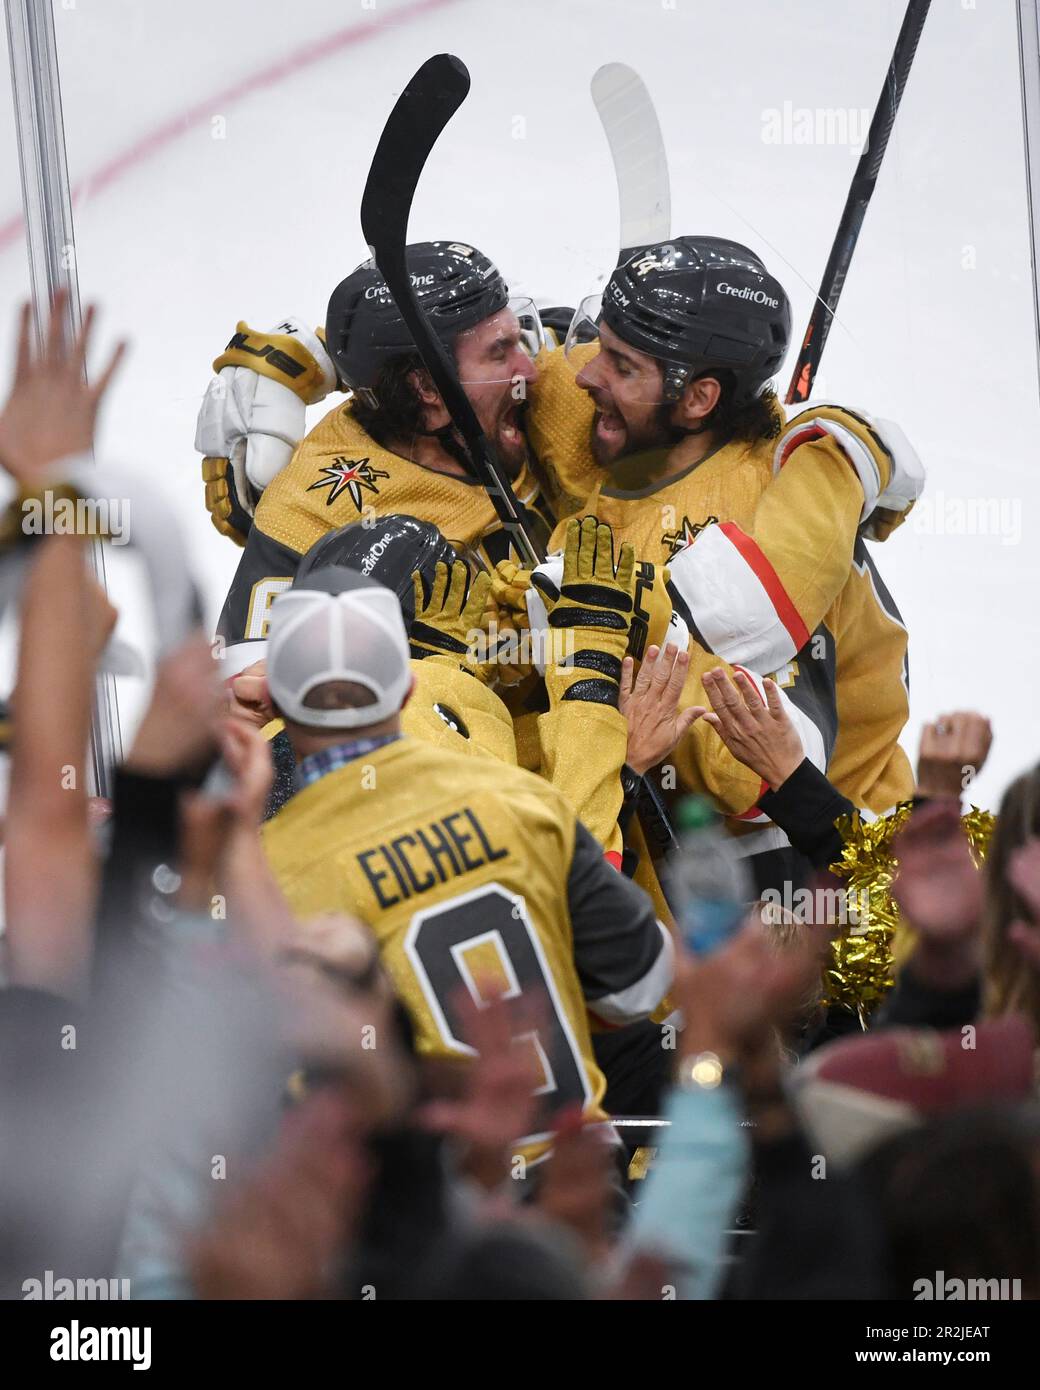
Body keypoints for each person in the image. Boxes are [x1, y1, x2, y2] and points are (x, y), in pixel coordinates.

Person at [258, 568, 674, 1164]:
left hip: (414, 1224)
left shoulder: (262, 871)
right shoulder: (524, 801)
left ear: (271, 702)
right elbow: (641, 985)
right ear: (406, 689)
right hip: (574, 1198)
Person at [523, 236, 925, 852]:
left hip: (803, 873)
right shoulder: (622, 426)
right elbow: (507, 369)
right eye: (597, 343)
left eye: (621, 364)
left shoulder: (769, 514)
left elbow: (782, 766)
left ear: (699, 398)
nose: (585, 375)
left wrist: (615, 621)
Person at [207, 242, 553, 681]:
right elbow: (254, 701)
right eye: (499, 352)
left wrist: (325, 351)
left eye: (519, 338)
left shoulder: (530, 400)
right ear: (427, 386)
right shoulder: (310, 513)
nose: (532, 369)